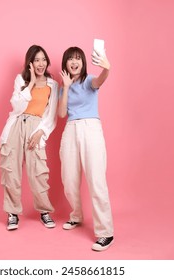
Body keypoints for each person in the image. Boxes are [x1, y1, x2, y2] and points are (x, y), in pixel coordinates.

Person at [58, 46, 114, 251]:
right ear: (65, 63)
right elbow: (62, 113)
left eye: (78, 59)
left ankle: (105, 232)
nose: (74, 62)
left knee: (96, 180)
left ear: (83, 62)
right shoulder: (63, 86)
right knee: (69, 179)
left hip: (91, 128)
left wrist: (107, 69)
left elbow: (100, 80)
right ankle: (76, 216)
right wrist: (65, 87)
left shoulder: (89, 80)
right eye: (70, 59)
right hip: (71, 129)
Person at [0, 45, 58, 231]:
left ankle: (44, 211)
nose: (40, 64)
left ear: (47, 61)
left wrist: (41, 132)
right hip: (16, 126)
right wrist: (31, 83)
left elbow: (52, 114)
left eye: (43, 59)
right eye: (36, 60)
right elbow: (16, 106)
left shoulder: (52, 84)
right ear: (30, 63)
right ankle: (12, 213)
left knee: (38, 171)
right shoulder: (21, 80)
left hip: (36, 127)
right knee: (11, 171)